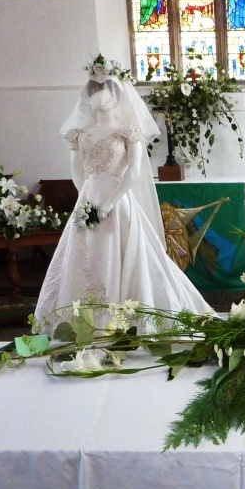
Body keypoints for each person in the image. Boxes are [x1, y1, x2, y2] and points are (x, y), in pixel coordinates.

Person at [34, 67, 211, 333]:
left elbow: (134, 172)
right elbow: (77, 172)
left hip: (118, 202)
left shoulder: (129, 132)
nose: (98, 94)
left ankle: (124, 320)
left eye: (104, 89)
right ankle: (82, 322)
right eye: (93, 90)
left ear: (116, 94)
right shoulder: (78, 133)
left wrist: (109, 202)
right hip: (88, 201)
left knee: (126, 255)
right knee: (83, 258)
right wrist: (86, 201)